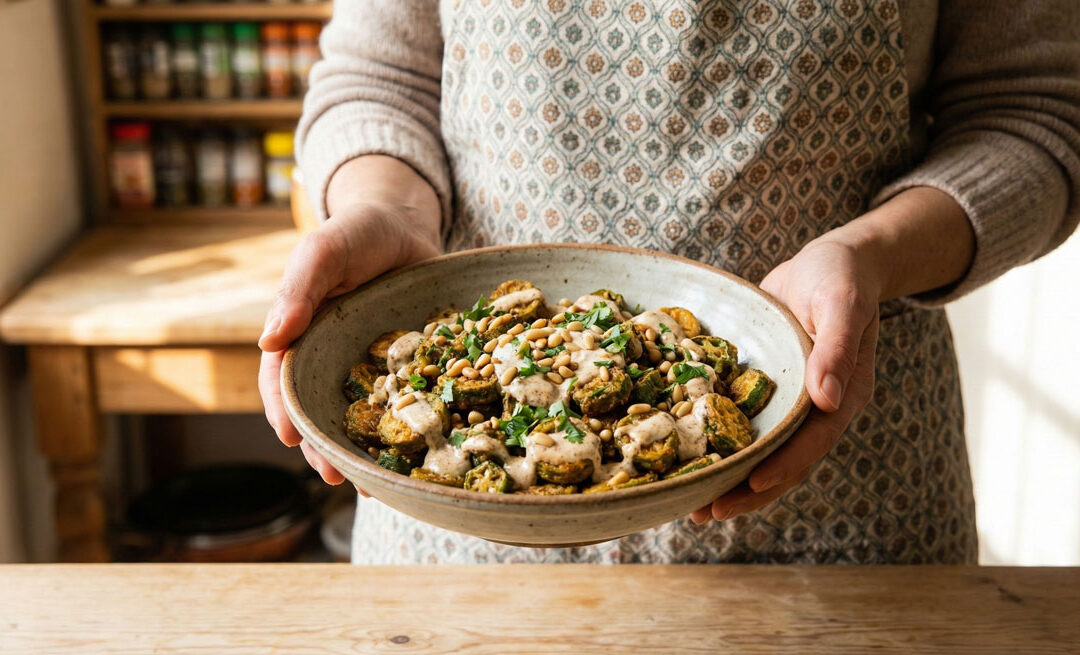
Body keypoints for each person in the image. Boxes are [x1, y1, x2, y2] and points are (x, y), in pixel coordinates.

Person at [258, 0, 1080, 564]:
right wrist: (387, 208)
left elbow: (1036, 109)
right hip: (463, 509)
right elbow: (379, 76)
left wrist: (874, 254)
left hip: (844, 495)